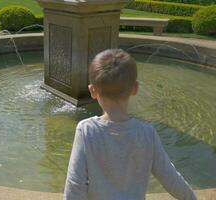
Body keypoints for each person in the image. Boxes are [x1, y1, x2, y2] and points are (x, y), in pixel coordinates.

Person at [64, 49, 197, 200]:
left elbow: (75, 185)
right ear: (135, 88)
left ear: (92, 90)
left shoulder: (87, 130)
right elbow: (169, 176)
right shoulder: (147, 132)